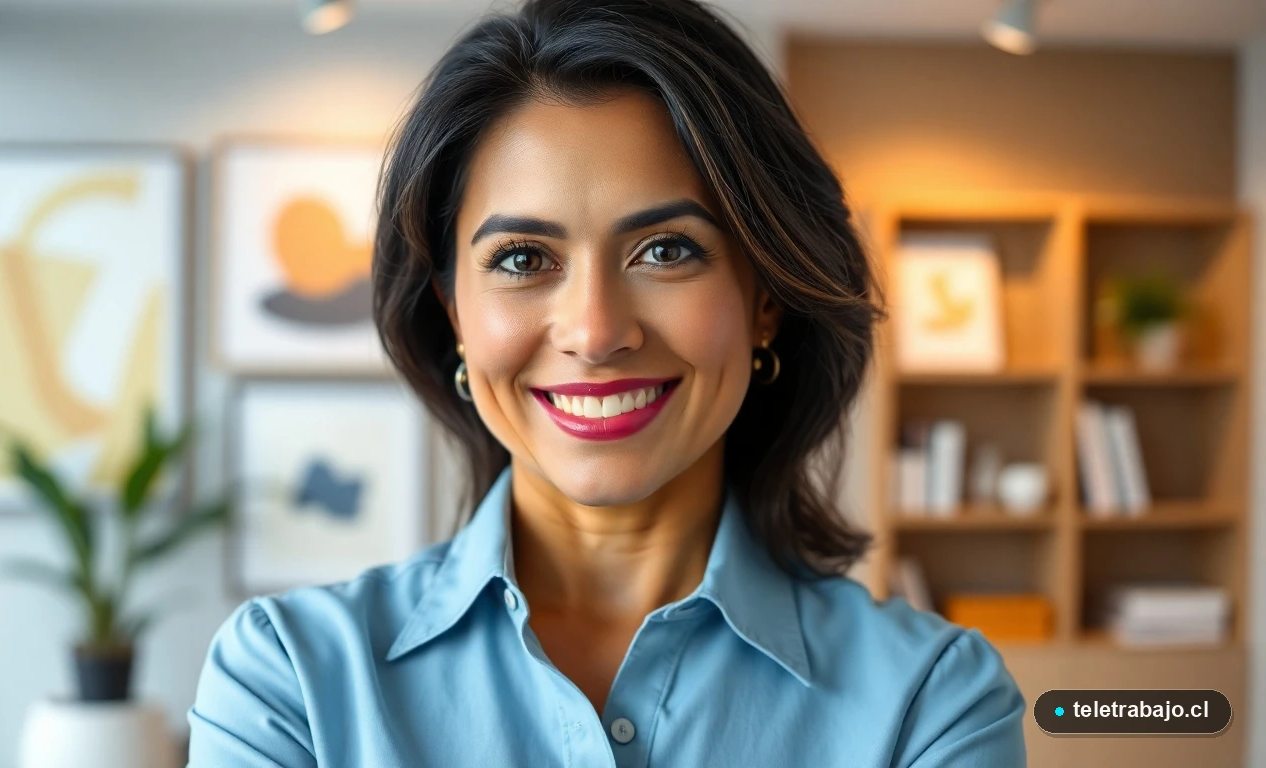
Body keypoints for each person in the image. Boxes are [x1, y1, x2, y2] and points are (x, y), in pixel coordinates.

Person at [187, 0, 1028, 765]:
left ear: (765, 298)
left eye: (665, 250)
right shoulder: (288, 682)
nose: (594, 332)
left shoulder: (932, 702)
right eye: (522, 260)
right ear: (453, 312)